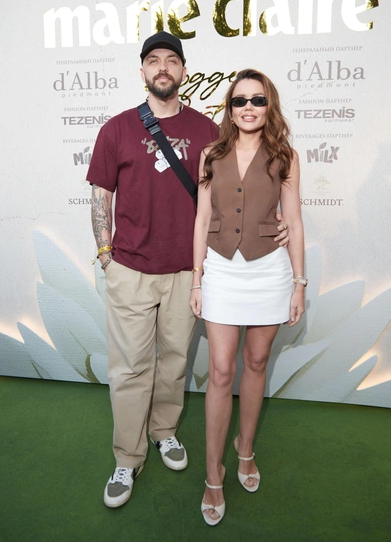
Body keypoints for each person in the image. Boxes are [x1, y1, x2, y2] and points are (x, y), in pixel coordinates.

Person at [87, 34, 290, 509]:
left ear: (183, 71)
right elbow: (101, 195)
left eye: (171, 60)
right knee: (131, 367)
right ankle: (127, 456)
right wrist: (105, 254)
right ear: (142, 71)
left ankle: (164, 432)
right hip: (130, 267)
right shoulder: (116, 129)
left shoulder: (207, 131)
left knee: (176, 361)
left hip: (188, 271)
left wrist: (275, 221)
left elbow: (237, 185)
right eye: (153, 60)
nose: (162, 67)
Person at [190, 68, 306, 526]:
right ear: (230, 108)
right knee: (221, 370)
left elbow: (293, 221)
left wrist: (299, 283)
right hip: (220, 269)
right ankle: (213, 474)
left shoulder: (285, 156)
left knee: (256, 363)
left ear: (269, 104)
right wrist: (197, 279)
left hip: (269, 271)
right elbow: (202, 220)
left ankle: (245, 449)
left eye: (258, 99)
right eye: (240, 100)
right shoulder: (211, 154)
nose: (249, 108)